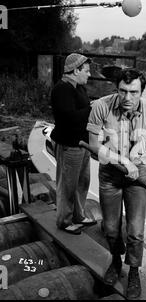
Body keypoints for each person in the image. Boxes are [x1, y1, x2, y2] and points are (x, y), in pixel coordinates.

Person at [87, 68, 146, 299]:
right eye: (123, 91)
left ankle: (133, 271)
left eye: (134, 92)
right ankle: (115, 260)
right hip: (110, 174)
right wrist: (122, 160)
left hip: (138, 176)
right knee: (111, 229)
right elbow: (94, 145)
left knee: (135, 231)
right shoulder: (100, 107)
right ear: (117, 88)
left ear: (142, 91)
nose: (128, 98)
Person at [50, 53, 97, 235]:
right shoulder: (62, 89)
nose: (89, 74)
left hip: (82, 144)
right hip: (69, 144)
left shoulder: (78, 87)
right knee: (68, 184)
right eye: (86, 70)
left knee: (83, 182)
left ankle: (78, 215)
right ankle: (64, 221)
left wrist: (91, 107)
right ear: (75, 70)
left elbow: (82, 110)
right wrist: (91, 109)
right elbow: (68, 118)